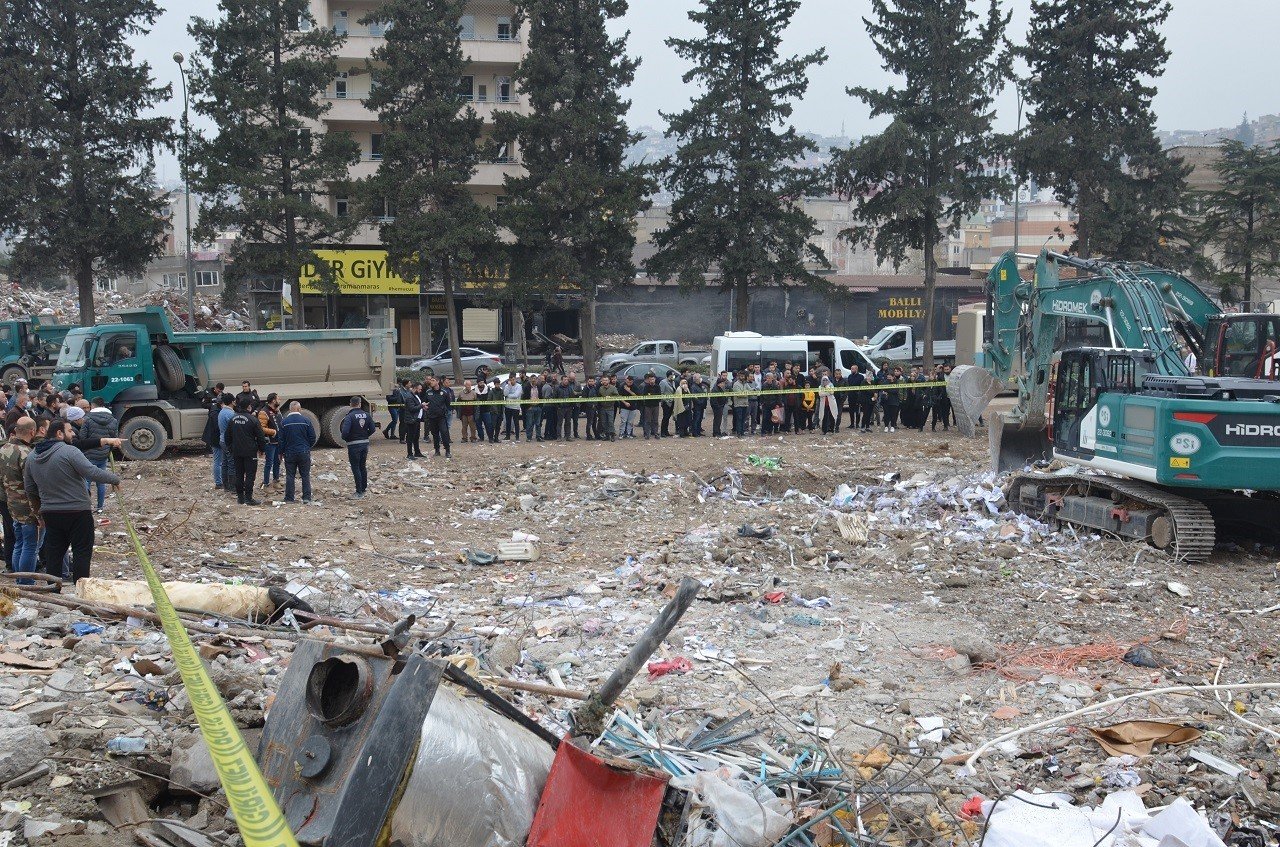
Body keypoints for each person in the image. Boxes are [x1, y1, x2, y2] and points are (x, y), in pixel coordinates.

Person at [25, 419, 122, 583]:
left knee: (54, 555)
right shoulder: (69, 451)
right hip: (77, 512)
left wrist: (39, 511)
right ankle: (81, 593)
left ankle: (53, 592)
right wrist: (115, 479)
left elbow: (30, 488)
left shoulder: (32, 456)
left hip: (51, 513)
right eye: (70, 431)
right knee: (81, 553)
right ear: (59, 433)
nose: (74, 433)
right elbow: (91, 471)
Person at [0, 417, 40, 584]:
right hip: (27, 506)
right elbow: (31, 486)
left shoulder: (4, 449)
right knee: (30, 546)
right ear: (32, 432)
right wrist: (38, 512)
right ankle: (26, 582)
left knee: (19, 543)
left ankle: (19, 580)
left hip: (11, 503)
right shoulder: (27, 454)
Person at [79, 397, 119, 512]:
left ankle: (86, 507)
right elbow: (113, 438)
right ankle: (100, 507)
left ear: (93, 405)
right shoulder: (113, 420)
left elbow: (82, 438)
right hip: (103, 455)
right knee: (101, 481)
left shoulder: (87, 419)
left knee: (86, 481)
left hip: (88, 455)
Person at [226, 398, 267, 505]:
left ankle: (240, 498)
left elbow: (227, 436)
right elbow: (261, 436)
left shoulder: (233, 419)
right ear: (249, 406)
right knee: (250, 475)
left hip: (237, 452)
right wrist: (262, 449)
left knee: (239, 474)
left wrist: (231, 448)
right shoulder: (253, 419)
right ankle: (248, 498)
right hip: (250, 452)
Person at [277, 401, 315, 504]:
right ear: (299, 409)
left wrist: (281, 452)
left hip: (289, 453)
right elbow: (312, 437)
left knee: (290, 476)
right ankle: (306, 498)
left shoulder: (284, 422)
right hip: (304, 452)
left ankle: (289, 498)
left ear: (290, 409)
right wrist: (307, 447)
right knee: (305, 475)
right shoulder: (306, 420)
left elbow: (281, 439)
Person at [340, 396, 376, 497]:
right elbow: (373, 429)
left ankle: (359, 491)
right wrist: (365, 436)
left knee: (355, 467)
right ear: (360, 404)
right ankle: (363, 489)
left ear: (350, 404)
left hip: (353, 445)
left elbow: (345, 432)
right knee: (362, 466)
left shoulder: (349, 416)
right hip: (364, 444)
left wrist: (347, 439)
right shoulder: (367, 415)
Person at [258, 393, 282, 491]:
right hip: (270, 442)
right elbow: (261, 428)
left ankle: (276, 481)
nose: (279, 400)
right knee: (269, 463)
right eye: (278, 398)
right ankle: (266, 484)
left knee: (278, 462)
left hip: (278, 441)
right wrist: (274, 432)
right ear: (273, 401)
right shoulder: (264, 412)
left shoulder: (277, 411)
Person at [423, 377, 452, 458]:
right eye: (431, 380)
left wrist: (445, 412)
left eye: (433, 380)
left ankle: (447, 450)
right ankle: (437, 450)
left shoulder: (444, 392)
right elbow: (425, 402)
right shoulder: (428, 392)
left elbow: (448, 404)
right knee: (435, 434)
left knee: (444, 433)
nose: (431, 382)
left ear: (438, 382)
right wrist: (425, 407)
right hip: (431, 417)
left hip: (441, 417)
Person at [217, 393, 236, 493]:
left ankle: (226, 485)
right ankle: (232, 486)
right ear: (232, 402)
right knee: (232, 463)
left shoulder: (222, 412)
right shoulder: (230, 414)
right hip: (228, 442)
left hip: (222, 440)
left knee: (225, 463)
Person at [402, 382, 424, 459]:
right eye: (419, 389)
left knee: (416, 437)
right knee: (410, 437)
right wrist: (422, 405)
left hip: (416, 419)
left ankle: (417, 452)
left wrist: (422, 407)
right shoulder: (410, 396)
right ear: (415, 388)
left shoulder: (415, 395)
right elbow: (411, 408)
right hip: (411, 419)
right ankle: (409, 454)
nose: (420, 391)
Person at [639, 372, 662, 439]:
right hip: (648, 406)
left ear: (655, 379)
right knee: (647, 420)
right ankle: (647, 434)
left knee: (655, 420)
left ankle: (656, 433)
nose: (651, 381)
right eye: (650, 379)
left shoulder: (657, 386)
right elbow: (645, 395)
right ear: (648, 380)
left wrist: (651, 395)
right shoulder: (646, 387)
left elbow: (659, 396)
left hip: (656, 405)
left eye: (653, 379)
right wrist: (651, 395)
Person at [523, 376, 544, 442]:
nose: (534, 380)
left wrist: (540, 406)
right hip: (530, 407)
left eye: (535, 379)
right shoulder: (527, 387)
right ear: (530, 380)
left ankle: (538, 436)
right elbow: (524, 398)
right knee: (529, 423)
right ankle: (529, 437)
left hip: (538, 407)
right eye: (532, 379)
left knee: (538, 423)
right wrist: (528, 407)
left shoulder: (539, 387)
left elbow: (541, 396)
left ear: (537, 380)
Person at [597, 375, 618, 441]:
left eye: (606, 380)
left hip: (610, 408)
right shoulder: (600, 388)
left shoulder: (613, 388)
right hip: (603, 408)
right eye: (603, 380)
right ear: (601, 381)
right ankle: (607, 435)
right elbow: (598, 397)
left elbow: (617, 396)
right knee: (604, 422)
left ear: (609, 381)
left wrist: (611, 398)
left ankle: (612, 435)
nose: (605, 381)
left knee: (610, 422)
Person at [502, 374, 523, 440]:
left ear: (515, 379)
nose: (512, 381)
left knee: (516, 422)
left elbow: (516, 395)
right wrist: (509, 386)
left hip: (515, 407)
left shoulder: (519, 386)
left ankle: (517, 437)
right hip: (508, 406)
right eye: (511, 380)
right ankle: (507, 436)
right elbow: (505, 394)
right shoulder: (507, 386)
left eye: (513, 379)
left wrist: (509, 396)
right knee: (508, 422)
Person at [731, 371, 750, 436]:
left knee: (743, 419)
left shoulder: (745, 383)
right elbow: (739, 394)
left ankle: (742, 432)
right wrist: (746, 393)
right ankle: (738, 433)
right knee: (739, 419)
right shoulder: (736, 384)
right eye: (741, 376)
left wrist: (749, 391)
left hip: (745, 404)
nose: (742, 377)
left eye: (743, 376)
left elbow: (750, 390)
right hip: (738, 404)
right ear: (739, 376)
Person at [659, 372, 676, 437]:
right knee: (665, 417)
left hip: (672, 402)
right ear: (669, 375)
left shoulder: (673, 382)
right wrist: (666, 400)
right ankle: (662, 432)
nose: (673, 376)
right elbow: (661, 393)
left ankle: (666, 431)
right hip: (666, 403)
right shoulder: (663, 382)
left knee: (668, 417)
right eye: (672, 375)